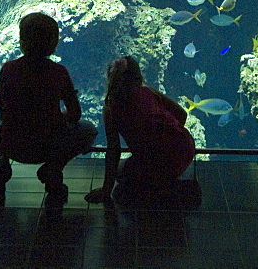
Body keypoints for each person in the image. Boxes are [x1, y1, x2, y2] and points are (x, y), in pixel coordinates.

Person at [0, 12, 97, 208]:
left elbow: (2, 109)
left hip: (14, 145)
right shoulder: (58, 72)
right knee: (89, 129)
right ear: (54, 42)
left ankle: (1, 162)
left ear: (22, 40)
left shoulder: (9, 69)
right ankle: (53, 169)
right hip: (48, 146)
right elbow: (75, 114)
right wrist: (58, 117)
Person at [85, 56, 199, 207]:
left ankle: (160, 186)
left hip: (157, 161)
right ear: (138, 76)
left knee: (120, 171)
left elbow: (114, 149)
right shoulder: (149, 92)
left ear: (110, 79)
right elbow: (182, 114)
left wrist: (106, 190)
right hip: (186, 149)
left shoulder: (111, 107)